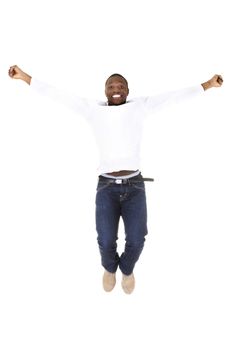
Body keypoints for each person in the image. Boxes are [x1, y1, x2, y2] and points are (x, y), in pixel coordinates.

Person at [8, 65, 223, 294]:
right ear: (105, 92)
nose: (116, 89)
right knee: (106, 239)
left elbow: (174, 98)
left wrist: (208, 85)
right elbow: (59, 96)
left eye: (121, 86)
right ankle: (110, 269)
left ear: (128, 90)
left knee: (138, 239)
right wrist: (24, 77)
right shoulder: (93, 110)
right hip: (107, 187)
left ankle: (127, 270)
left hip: (135, 186)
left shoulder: (139, 107)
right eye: (111, 86)